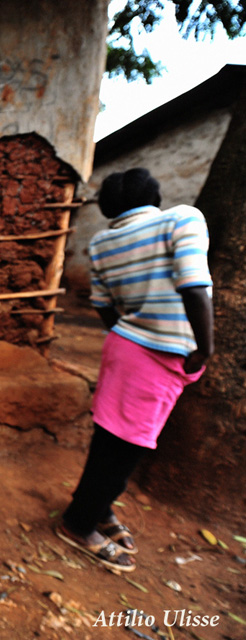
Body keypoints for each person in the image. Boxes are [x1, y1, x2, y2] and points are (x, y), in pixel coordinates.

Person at [56, 168, 214, 574]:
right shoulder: (182, 219)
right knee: (126, 449)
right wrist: (204, 348)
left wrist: (130, 334)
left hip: (123, 347)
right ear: (154, 195)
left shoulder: (102, 241)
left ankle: (99, 509)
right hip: (159, 356)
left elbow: (104, 305)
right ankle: (79, 523)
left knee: (110, 437)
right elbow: (194, 286)